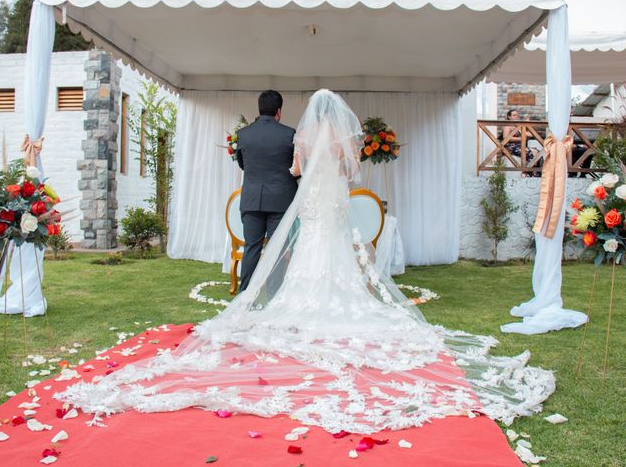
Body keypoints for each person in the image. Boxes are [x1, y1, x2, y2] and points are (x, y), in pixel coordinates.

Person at [57, 90, 555, 434]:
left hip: (294, 199)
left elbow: (293, 168)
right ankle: (328, 296)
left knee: (283, 249)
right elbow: (352, 167)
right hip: (330, 199)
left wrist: (301, 170)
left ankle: (266, 295)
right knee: (327, 246)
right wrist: (339, 167)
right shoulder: (327, 137)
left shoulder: (287, 136)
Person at [236, 90, 297, 292]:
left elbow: (244, 165)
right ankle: (273, 298)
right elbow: (294, 168)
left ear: (259, 109)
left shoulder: (243, 134)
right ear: (278, 111)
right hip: (280, 201)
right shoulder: (289, 134)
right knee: (276, 250)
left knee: (251, 248)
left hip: (252, 198)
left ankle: (244, 298)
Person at [502, 109, 539, 176]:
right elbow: (506, 138)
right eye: (514, 115)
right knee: (531, 152)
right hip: (511, 147)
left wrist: (528, 125)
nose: (516, 117)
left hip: (520, 147)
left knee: (536, 152)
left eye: (517, 115)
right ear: (509, 117)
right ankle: (527, 172)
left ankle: (532, 173)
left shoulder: (518, 127)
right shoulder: (508, 126)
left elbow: (530, 134)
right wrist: (519, 139)